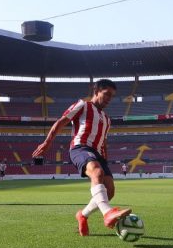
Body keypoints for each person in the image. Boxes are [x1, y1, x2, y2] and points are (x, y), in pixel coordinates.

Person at [32, 79, 131, 237]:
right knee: (97, 173)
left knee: (109, 191)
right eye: (106, 94)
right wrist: (47, 142)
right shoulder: (82, 105)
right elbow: (61, 121)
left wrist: (105, 157)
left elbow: (103, 141)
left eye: (111, 96)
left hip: (97, 153)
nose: (109, 99)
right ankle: (107, 214)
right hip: (80, 148)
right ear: (96, 90)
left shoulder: (107, 119)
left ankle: (82, 215)